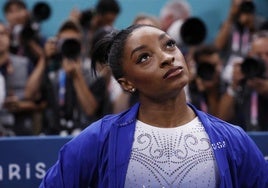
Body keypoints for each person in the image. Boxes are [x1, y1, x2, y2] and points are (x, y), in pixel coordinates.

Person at [40, 24, 268, 187]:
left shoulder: (232, 139)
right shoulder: (98, 139)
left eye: (169, 45)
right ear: (127, 83)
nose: (167, 57)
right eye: (144, 57)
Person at [218, 30, 268, 131]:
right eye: (258, 55)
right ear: (249, 56)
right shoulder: (243, 77)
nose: (263, 59)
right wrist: (234, 86)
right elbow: (221, 119)